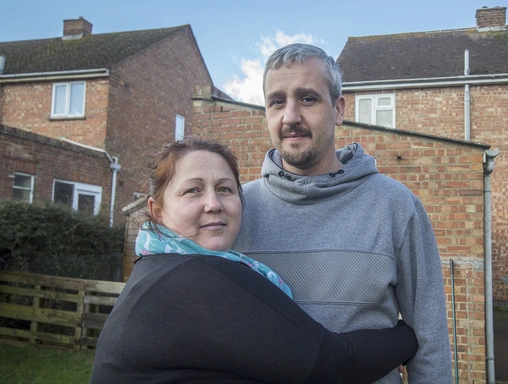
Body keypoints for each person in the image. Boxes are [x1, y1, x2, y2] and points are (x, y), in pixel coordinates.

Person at [89, 137, 418, 384]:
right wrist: (407, 337)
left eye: (225, 189)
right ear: (157, 210)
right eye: (193, 191)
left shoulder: (158, 266)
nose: (213, 204)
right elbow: (331, 365)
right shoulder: (192, 280)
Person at [233, 44, 454, 383]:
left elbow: (430, 341)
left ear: (338, 109)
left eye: (307, 99)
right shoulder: (236, 211)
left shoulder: (396, 206)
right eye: (277, 101)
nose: (290, 116)